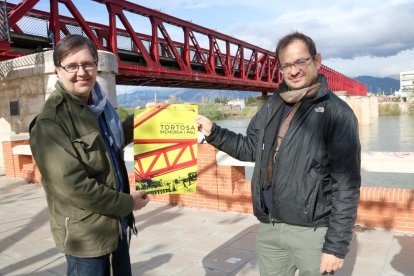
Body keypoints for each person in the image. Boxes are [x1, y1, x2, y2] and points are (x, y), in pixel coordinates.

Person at [196, 31, 361, 275]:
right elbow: (250, 148)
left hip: (312, 233)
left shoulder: (337, 113)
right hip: (270, 228)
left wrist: (335, 246)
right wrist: (213, 132)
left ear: (317, 60)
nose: (293, 71)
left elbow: (346, 186)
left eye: (300, 62)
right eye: (286, 65)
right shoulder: (274, 105)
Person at [29, 34, 149, 276]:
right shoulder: (51, 122)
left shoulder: (100, 107)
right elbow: (75, 187)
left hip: (115, 224)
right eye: (72, 66)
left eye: (87, 64)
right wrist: (128, 203)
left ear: (96, 65)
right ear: (58, 71)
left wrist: (151, 118)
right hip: (85, 236)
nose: (81, 72)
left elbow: (109, 145)